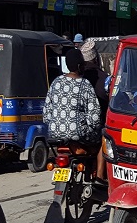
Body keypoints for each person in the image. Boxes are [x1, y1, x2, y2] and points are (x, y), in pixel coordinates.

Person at [44, 48, 106, 181]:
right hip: (78, 136)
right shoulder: (85, 85)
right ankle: (100, 177)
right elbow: (94, 117)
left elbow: (46, 113)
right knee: (104, 139)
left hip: (55, 134)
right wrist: (94, 127)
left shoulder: (56, 82)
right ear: (79, 66)